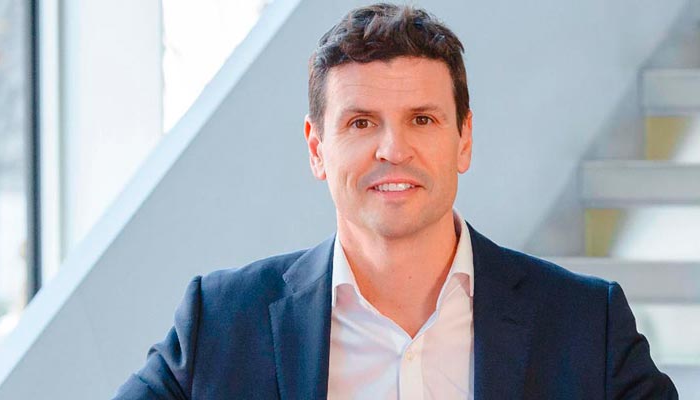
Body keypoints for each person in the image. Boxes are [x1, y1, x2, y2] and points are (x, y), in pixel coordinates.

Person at [113, 3, 677, 399]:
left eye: (422, 120)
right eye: (361, 122)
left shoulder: (586, 323)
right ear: (317, 148)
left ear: (464, 139)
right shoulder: (221, 322)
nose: (393, 149)